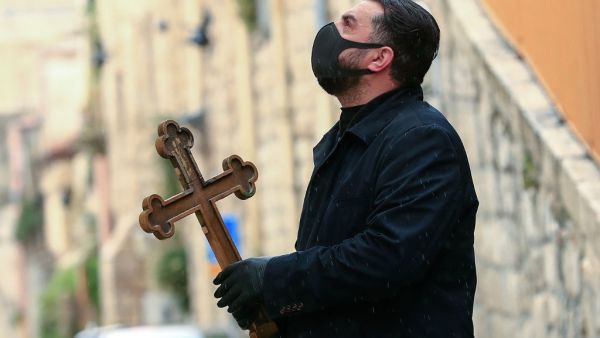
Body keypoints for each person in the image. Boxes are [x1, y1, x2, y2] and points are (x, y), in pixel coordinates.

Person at [213, 0, 478, 337]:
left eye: (347, 24)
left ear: (379, 57)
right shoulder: (345, 140)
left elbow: (387, 258)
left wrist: (275, 279)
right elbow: (333, 272)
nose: (330, 33)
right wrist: (276, 310)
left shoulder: (422, 139)